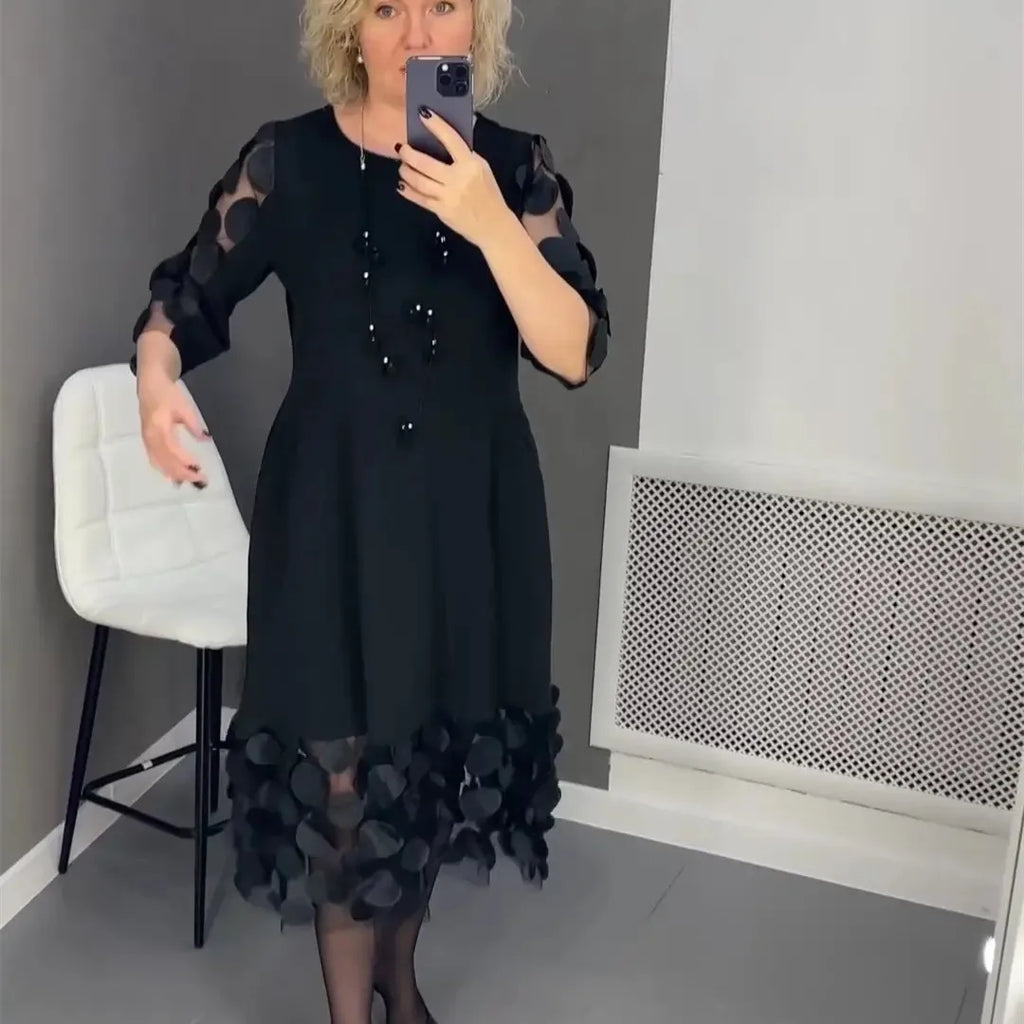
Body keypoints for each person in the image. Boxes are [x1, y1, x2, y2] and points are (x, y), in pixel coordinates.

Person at [132, 0, 609, 1020]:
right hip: (332, 513)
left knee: (428, 761)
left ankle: (399, 976)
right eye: (387, 6)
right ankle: (355, 1012)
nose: (418, 34)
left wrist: (487, 217)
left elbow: (573, 349)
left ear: (476, 22)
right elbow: (187, 296)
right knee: (342, 782)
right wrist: (154, 374)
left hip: (468, 518)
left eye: (443, 4)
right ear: (349, 25)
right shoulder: (289, 160)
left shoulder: (512, 167)